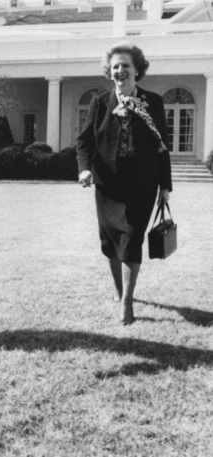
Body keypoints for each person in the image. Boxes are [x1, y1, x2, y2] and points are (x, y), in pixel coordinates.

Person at [76, 41, 172, 325]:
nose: (120, 70)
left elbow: (162, 145)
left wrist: (165, 186)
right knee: (110, 241)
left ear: (137, 70)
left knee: (131, 238)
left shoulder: (153, 102)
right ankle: (119, 291)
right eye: (115, 66)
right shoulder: (100, 103)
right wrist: (84, 169)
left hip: (142, 183)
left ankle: (127, 302)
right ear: (109, 71)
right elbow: (85, 141)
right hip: (108, 184)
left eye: (125, 65)